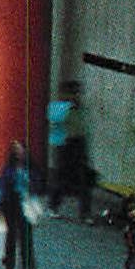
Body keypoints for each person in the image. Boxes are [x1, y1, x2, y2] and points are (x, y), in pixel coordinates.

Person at [46, 80, 94, 222]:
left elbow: (83, 128)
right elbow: (55, 120)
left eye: (78, 93)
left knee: (84, 179)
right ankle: (53, 205)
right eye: (74, 92)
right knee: (62, 177)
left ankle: (85, 213)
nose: (77, 95)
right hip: (65, 145)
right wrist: (69, 108)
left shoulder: (79, 108)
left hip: (78, 143)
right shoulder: (58, 107)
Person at [0, 141, 34, 269]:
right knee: (11, 233)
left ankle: (26, 266)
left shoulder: (29, 169)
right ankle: (10, 262)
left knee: (25, 235)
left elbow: (36, 183)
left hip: (25, 203)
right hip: (11, 202)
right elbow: (4, 187)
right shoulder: (9, 169)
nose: (21, 153)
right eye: (18, 150)